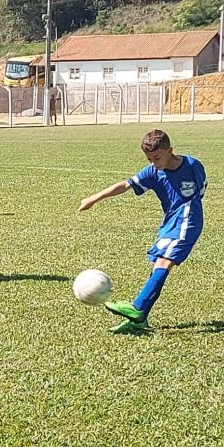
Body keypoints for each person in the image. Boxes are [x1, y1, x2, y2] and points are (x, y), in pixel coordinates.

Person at [78, 129, 207, 334]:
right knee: (158, 266)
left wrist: (187, 208)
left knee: (164, 262)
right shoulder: (153, 172)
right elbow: (125, 185)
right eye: (149, 159)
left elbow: (201, 189)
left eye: (157, 158)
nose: (154, 163)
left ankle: (137, 307)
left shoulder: (192, 165)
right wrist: (94, 198)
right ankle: (140, 320)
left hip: (188, 221)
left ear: (170, 151)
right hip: (170, 222)